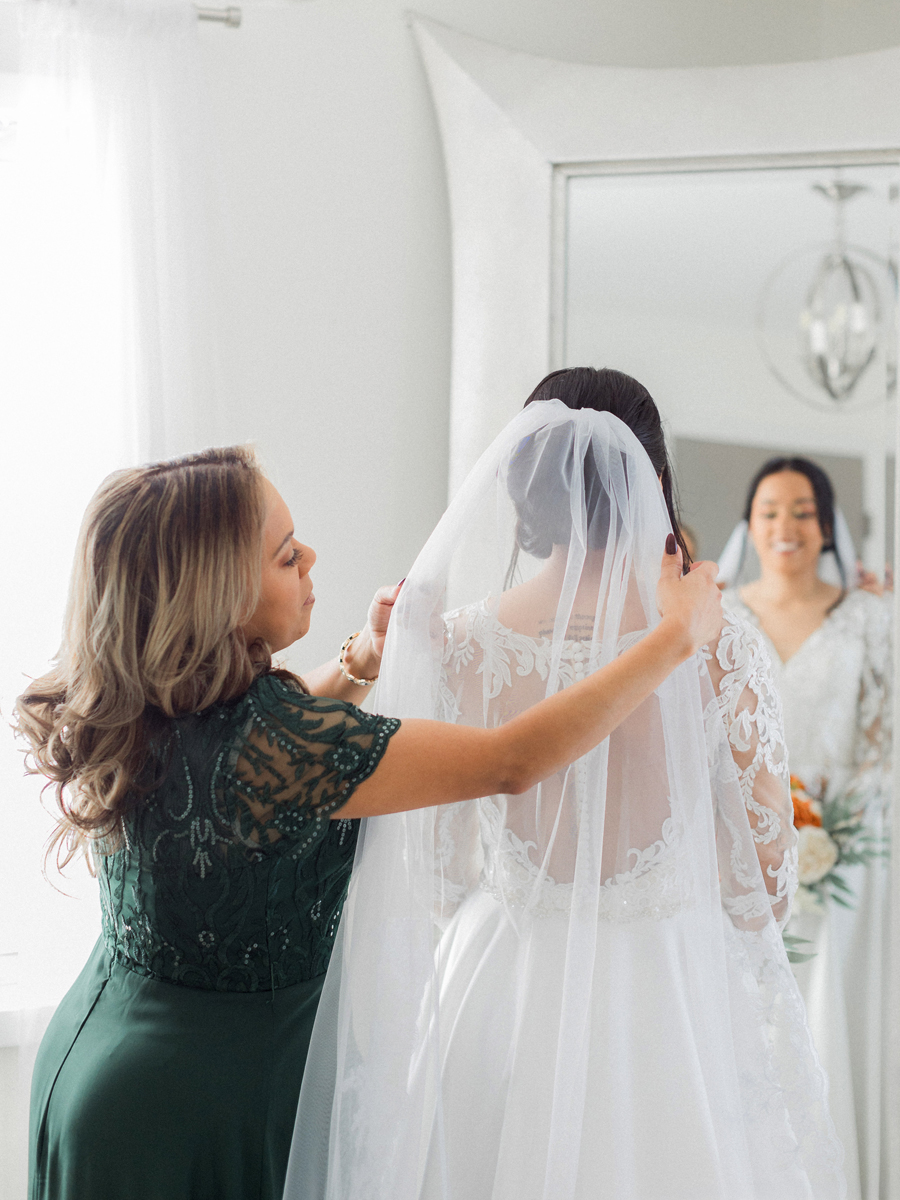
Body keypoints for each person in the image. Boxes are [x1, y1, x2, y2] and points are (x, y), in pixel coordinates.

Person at [14, 444, 721, 1200]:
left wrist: (359, 661)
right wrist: (673, 638)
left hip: (100, 1058)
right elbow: (513, 760)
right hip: (196, 1106)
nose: (311, 556)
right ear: (216, 596)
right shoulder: (269, 737)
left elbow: (265, 760)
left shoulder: (153, 696)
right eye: (287, 557)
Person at [287, 369, 844, 1200]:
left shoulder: (462, 644)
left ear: (523, 488)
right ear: (654, 484)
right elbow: (764, 881)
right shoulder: (718, 643)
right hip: (670, 1001)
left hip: (504, 989)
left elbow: (437, 871)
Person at [721, 456, 891, 1200]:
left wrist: (830, 820)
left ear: (826, 526)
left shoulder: (871, 618)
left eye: (801, 511)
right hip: (741, 866)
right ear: (749, 526)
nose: (785, 527)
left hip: (846, 860)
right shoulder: (720, 615)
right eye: (769, 512)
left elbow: (884, 745)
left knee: (832, 1025)